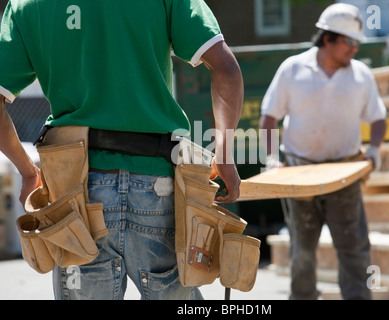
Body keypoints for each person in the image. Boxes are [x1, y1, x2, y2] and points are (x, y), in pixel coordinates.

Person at [0, 0, 243, 300]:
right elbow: (226, 68)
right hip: (159, 189)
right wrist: (225, 154)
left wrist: (27, 171)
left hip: (75, 193)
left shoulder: (26, 4)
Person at [259, 3, 387, 300]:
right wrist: (270, 160)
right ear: (327, 38)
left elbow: (378, 118)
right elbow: (268, 116)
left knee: (354, 247)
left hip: (344, 174)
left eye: (357, 43)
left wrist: (375, 149)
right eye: (350, 41)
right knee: (302, 251)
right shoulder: (293, 69)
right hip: (299, 173)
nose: (355, 48)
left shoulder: (361, 75)